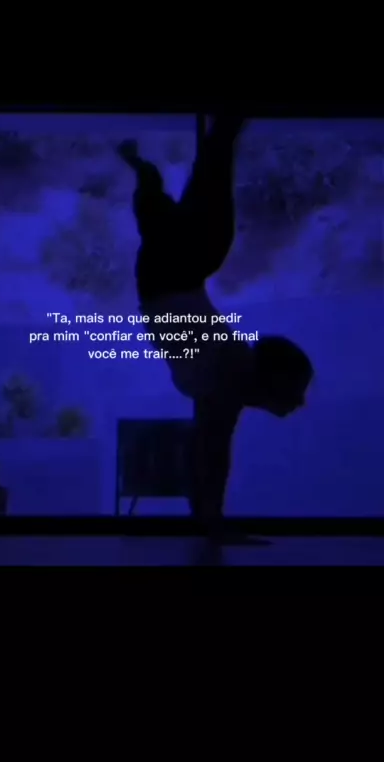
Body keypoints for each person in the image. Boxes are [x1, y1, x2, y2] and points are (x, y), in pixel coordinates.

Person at [117, 118, 314, 543]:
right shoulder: (230, 381)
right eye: (297, 391)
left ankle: (217, 134)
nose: (300, 402)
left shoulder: (230, 383)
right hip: (169, 277)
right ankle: (162, 159)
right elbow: (210, 453)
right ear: (270, 380)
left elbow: (208, 454)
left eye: (297, 391)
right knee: (166, 213)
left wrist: (210, 521)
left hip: (174, 275)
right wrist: (211, 521)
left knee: (196, 226)